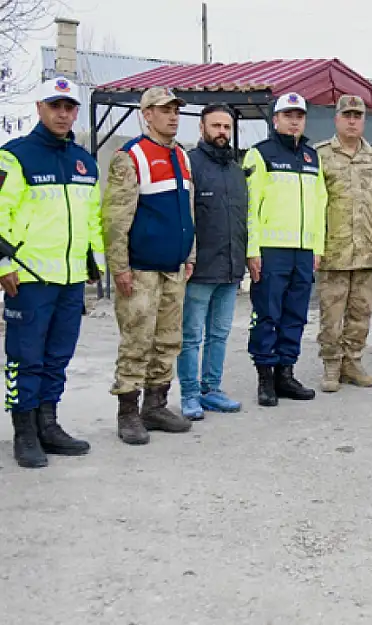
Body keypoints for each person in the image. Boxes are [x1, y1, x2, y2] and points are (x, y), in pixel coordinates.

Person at [0, 77, 104, 468]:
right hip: (27, 278)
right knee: (25, 357)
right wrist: (3, 264)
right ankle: (24, 431)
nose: (63, 114)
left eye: (69, 107)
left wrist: (94, 264)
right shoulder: (14, 156)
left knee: (58, 356)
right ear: (40, 108)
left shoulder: (84, 161)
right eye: (55, 106)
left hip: (71, 278)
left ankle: (49, 423)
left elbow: (91, 219)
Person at [103, 86, 196, 445]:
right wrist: (119, 267)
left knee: (169, 340)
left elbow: (187, 212)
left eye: (175, 109)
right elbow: (116, 218)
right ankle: (128, 411)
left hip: (174, 267)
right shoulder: (131, 156)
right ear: (147, 114)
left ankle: (155, 406)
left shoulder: (182, 157)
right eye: (164, 109)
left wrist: (190, 254)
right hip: (140, 269)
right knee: (137, 341)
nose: (172, 115)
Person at [243, 92, 326, 406]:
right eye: (288, 115)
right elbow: (251, 207)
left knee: (295, 315)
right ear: (275, 119)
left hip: (303, 251)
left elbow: (321, 205)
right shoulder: (259, 155)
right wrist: (253, 250)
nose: (294, 121)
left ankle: (285, 374)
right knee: (267, 314)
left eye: (299, 116)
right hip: (271, 250)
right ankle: (265, 378)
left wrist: (317, 248)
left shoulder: (311, 156)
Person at [315, 95, 372, 392]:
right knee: (332, 314)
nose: (352, 120)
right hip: (334, 249)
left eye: (357, 116)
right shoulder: (320, 155)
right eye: (346, 115)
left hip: (367, 249)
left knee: (361, 312)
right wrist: (316, 247)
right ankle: (332, 365)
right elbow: (314, 205)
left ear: (364, 121)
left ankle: (353, 361)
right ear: (336, 119)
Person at [177, 104, 247, 420]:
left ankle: (211, 389)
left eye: (227, 127)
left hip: (230, 269)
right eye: (216, 126)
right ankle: (190, 394)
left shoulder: (235, 169)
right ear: (202, 128)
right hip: (199, 268)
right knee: (192, 335)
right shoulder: (190, 164)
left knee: (219, 334)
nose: (222, 132)